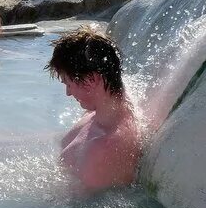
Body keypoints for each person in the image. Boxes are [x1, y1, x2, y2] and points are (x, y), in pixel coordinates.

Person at [47, 27, 142, 193]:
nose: (68, 93)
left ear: (91, 79)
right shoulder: (100, 112)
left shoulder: (103, 149)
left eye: (68, 84)